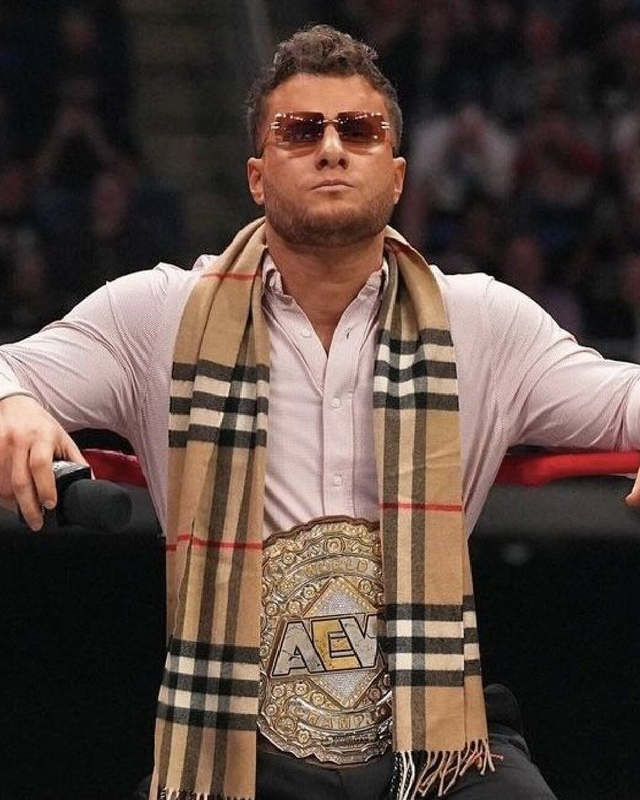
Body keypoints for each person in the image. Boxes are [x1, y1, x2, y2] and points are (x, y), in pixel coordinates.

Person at [1, 24, 640, 800]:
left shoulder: (483, 322)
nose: (331, 148)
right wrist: (15, 404)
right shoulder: (159, 314)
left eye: (358, 130)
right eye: (301, 131)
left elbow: (624, 400)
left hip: (433, 739)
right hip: (239, 735)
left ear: (397, 176)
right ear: (257, 176)